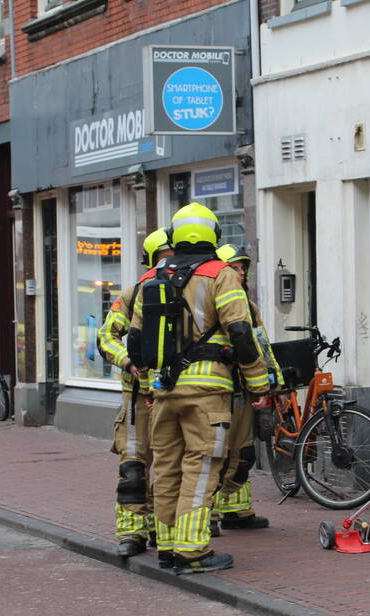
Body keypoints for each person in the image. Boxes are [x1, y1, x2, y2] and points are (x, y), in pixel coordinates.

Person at [129, 203, 271, 574]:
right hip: (208, 390)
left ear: (174, 236)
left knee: (167, 467)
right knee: (204, 464)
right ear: (214, 235)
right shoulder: (220, 275)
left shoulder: (152, 276)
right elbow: (241, 332)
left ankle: (167, 545)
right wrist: (259, 384)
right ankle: (192, 550)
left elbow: (135, 341)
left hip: (163, 390)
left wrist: (147, 385)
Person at [97, 229, 173, 557]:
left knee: (171, 466)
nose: (169, 266)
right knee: (133, 470)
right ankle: (131, 533)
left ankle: (163, 529)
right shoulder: (132, 294)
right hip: (136, 402)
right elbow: (105, 337)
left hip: (172, 397)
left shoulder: (188, 293)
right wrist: (127, 361)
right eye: (164, 258)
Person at [209, 243, 283, 534]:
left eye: (243, 268)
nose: (241, 273)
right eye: (235, 268)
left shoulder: (249, 307)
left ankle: (236, 510)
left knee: (243, 453)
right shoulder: (211, 302)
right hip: (220, 388)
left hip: (245, 389)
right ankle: (208, 515)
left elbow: (260, 343)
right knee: (217, 454)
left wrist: (273, 379)